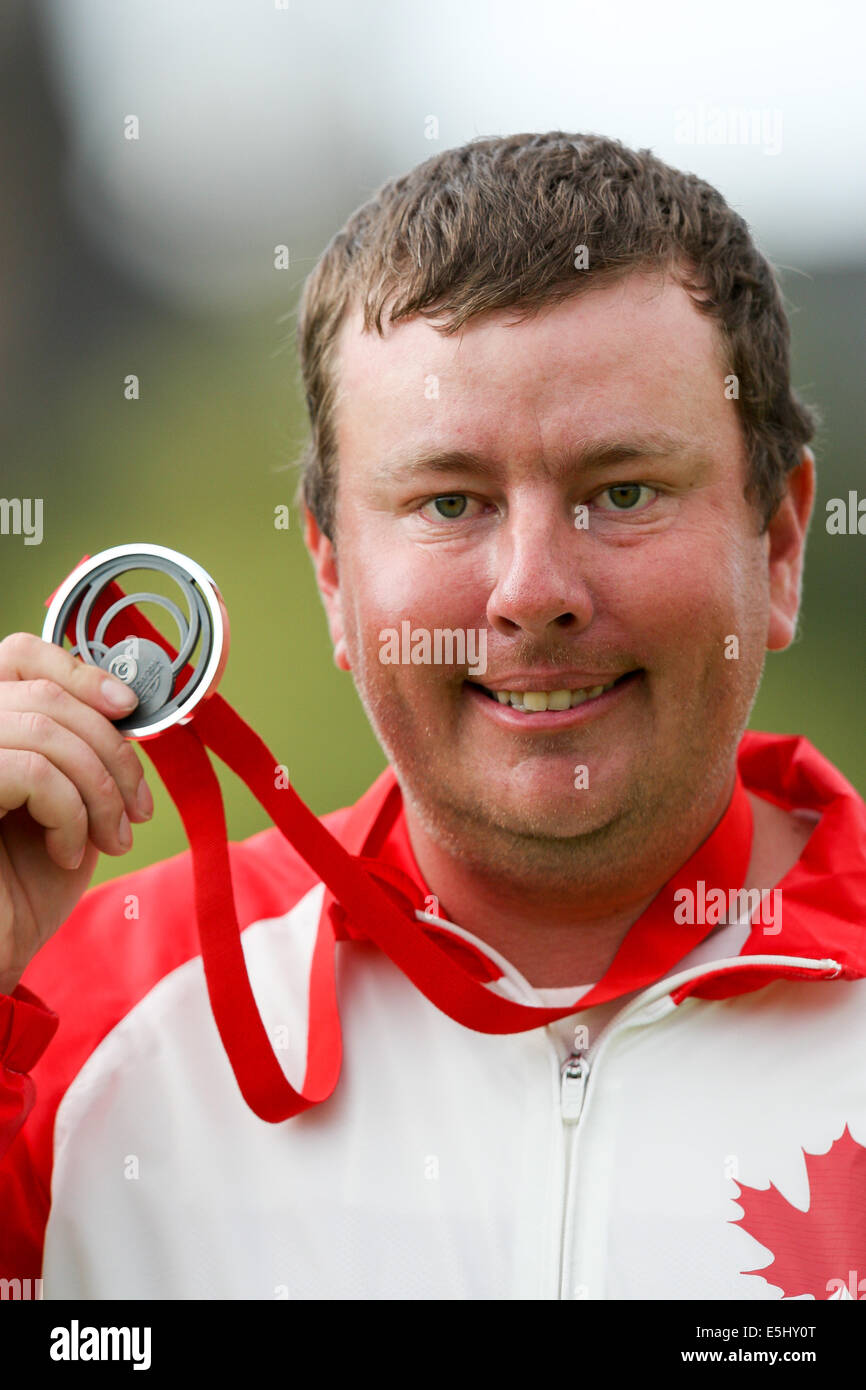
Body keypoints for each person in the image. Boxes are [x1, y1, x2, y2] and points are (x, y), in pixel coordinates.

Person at [1, 132, 864, 1302]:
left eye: (622, 492)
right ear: (332, 577)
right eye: (448, 501)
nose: (531, 592)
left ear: (774, 544)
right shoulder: (70, 1019)